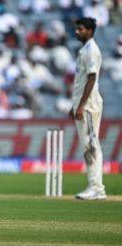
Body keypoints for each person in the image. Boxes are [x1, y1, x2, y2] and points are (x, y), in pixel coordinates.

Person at [69, 17, 106, 200]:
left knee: (91, 145)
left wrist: (82, 105)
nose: (77, 32)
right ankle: (94, 187)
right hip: (83, 103)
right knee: (87, 145)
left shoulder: (92, 50)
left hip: (90, 105)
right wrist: (74, 105)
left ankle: (97, 188)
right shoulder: (84, 49)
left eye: (81, 29)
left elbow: (92, 78)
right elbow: (82, 80)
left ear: (90, 31)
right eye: (77, 29)